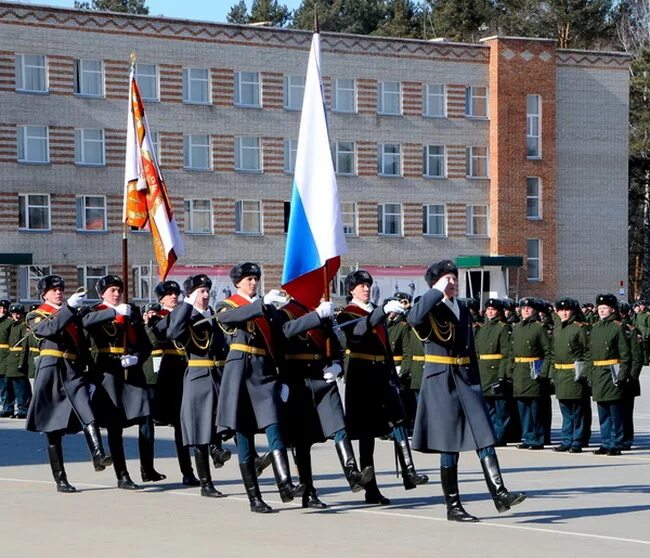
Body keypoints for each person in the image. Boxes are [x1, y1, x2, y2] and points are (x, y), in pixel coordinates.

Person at [408, 260, 526, 522]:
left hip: (465, 379)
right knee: (449, 446)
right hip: (440, 381)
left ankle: (500, 493)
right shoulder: (429, 308)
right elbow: (413, 318)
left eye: (454, 279)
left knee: (484, 434)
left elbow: (469, 348)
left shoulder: (461, 307)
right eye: (447, 280)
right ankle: (453, 506)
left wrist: (476, 381)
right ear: (436, 284)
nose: (453, 283)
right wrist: (435, 292)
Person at [215, 262, 304, 513]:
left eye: (256, 278)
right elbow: (228, 319)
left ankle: (285, 484)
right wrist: (262, 304)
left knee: (274, 427)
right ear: (237, 283)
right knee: (244, 435)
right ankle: (254, 497)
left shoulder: (266, 308)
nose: (253, 282)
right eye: (248, 279)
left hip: (264, 373)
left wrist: (314, 317)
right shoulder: (228, 304)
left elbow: (282, 338)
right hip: (240, 374)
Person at [337, 270, 428, 506]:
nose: (366, 289)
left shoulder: (375, 311)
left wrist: (392, 374)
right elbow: (357, 334)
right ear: (351, 290)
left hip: (382, 374)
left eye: (368, 285)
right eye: (361, 286)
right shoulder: (348, 314)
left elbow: (385, 346)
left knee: (398, 420)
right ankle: (371, 488)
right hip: (362, 376)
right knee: (367, 436)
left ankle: (409, 471)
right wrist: (381, 312)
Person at [279, 296, 373, 508]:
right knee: (302, 440)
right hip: (297, 379)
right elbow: (285, 333)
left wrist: (337, 365)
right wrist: (282, 380)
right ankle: (308, 491)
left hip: (321, 376)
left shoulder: (322, 312)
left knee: (339, 426)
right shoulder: (284, 312)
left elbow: (337, 343)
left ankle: (352, 473)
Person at [25, 275, 112, 493]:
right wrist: (69, 309)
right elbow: (48, 329)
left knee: (86, 409)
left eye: (60, 289)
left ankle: (99, 454)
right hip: (52, 368)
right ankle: (61, 478)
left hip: (72, 369)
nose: (58, 292)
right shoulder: (35, 314)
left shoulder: (71, 314)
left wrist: (113, 311)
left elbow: (83, 341)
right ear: (44, 294)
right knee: (53, 427)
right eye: (53, 289)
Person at [82, 275, 152, 490]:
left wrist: (137, 357)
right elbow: (85, 323)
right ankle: (122, 475)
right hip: (108, 370)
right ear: (102, 293)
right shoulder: (94, 311)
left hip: (131, 370)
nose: (116, 293)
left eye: (119, 289)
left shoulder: (131, 312)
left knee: (146, 416)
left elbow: (145, 344)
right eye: (112, 289)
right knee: (114, 425)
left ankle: (147, 467)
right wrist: (114, 312)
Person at [167, 274, 229, 498]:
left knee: (221, 419)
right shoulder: (184, 314)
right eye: (200, 292)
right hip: (197, 374)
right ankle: (206, 482)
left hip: (216, 374)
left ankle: (217, 448)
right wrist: (186, 304)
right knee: (200, 430)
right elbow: (173, 333)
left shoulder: (212, 315)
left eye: (207, 291)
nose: (205, 295)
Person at [148, 280, 204, 486]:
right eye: (168, 294)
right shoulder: (157, 316)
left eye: (175, 293)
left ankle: (212, 453)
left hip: (192, 365)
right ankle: (187, 471)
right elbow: (156, 337)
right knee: (180, 425)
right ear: (160, 299)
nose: (173, 297)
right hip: (172, 370)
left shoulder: (189, 312)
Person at [589, 294, 631, 456]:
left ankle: (616, 442)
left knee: (615, 412)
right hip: (598, 373)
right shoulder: (596, 327)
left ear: (612, 309)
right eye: (599, 308)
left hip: (612, 373)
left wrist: (622, 375)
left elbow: (625, 354)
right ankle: (605, 442)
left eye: (605, 308)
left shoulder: (617, 327)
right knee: (603, 412)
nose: (601, 311)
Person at [511, 297, 551, 450]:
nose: (526, 310)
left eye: (529, 308)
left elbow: (548, 351)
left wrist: (543, 371)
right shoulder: (517, 327)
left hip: (533, 370)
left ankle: (537, 438)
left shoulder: (539, 328)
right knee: (523, 407)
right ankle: (528, 436)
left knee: (535, 408)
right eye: (523, 308)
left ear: (534, 310)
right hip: (520, 371)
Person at [550, 298, 590, 453]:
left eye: (567, 310)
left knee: (577, 410)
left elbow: (587, 352)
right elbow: (554, 352)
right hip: (561, 373)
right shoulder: (558, 328)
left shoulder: (579, 328)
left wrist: (584, 372)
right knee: (565, 410)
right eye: (561, 310)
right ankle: (567, 439)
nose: (564, 313)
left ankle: (577, 441)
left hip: (574, 373)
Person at [474, 298, 512, 445]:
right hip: (483, 372)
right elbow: (477, 352)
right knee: (488, 408)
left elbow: (506, 354)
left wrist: (502, 375)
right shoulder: (483, 328)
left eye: (493, 309)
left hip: (496, 371)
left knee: (501, 409)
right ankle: (490, 435)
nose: (490, 312)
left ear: (499, 311)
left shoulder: (503, 328)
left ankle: (499, 436)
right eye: (488, 309)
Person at [138, 301, 167, 483]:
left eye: (156, 313)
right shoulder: (142, 329)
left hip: (163, 378)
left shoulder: (163, 327)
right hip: (147, 379)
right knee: (147, 427)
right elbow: (148, 344)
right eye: (150, 313)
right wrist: (148, 325)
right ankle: (147, 468)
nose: (154, 316)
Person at [618, 301, 644, 450]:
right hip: (615, 374)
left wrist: (631, 376)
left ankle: (626, 438)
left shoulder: (632, 330)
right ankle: (617, 436)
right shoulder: (613, 329)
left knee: (626, 411)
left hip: (628, 378)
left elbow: (637, 358)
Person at [4, 303, 32, 418]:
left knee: (21, 388)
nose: (16, 316)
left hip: (18, 359)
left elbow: (24, 346)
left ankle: (23, 409)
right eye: (14, 313)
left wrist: (21, 362)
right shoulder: (13, 326)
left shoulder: (23, 326)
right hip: (10, 361)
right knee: (10, 387)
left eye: (18, 313)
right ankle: (12, 408)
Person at [0, 299, 14, 417]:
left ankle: (7, 407)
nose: (2, 310)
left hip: (5, 356)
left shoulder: (9, 322)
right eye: (0, 308)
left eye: (4, 308)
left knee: (5, 385)